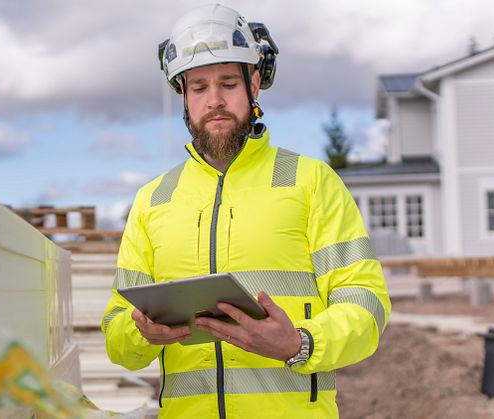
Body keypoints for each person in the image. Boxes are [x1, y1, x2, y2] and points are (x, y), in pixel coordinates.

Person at [101, 4, 391, 418]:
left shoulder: (311, 182)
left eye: (227, 83)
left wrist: (301, 343)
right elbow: (116, 339)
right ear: (183, 95)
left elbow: (365, 302)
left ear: (254, 84)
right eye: (198, 87)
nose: (214, 100)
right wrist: (140, 332)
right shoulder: (153, 200)